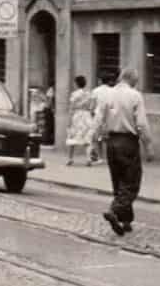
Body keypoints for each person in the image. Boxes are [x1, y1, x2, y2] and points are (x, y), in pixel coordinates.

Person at [92, 68, 151, 236]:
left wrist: (95, 143)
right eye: (136, 80)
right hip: (128, 142)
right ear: (131, 79)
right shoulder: (135, 95)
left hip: (111, 141)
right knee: (131, 181)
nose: (137, 83)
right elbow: (141, 123)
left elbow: (97, 120)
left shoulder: (107, 95)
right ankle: (115, 210)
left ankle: (126, 221)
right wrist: (148, 144)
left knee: (118, 181)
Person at [66, 75, 94, 166]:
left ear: (76, 84)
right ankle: (88, 158)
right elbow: (91, 106)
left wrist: (69, 120)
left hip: (77, 116)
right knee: (87, 138)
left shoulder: (74, 94)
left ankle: (70, 158)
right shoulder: (88, 94)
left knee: (72, 137)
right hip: (86, 116)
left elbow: (71, 107)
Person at [88, 75, 114, 164]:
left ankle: (100, 157)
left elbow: (92, 106)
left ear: (100, 80)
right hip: (111, 116)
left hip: (98, 116)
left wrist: (91, 115)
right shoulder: (113, 91)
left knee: (96, 137)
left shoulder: (96, 91)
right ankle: (111, 157)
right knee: (108, 138)